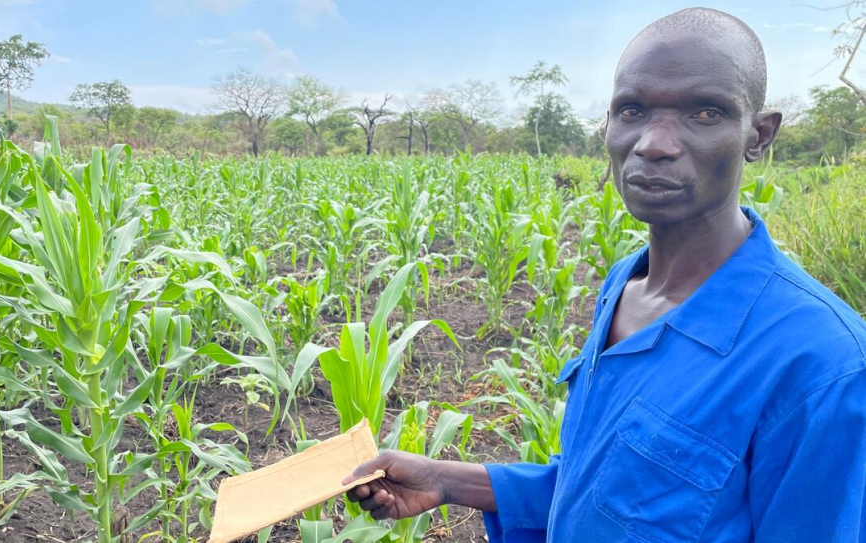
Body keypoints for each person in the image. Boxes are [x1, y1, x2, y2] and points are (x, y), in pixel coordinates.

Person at [343, 7, 866, 542]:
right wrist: (446, 480)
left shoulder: (822, 363)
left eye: (705, 113)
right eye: (632, 110)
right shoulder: (623, 285)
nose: (653, 143)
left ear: (759, 135)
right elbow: (610, 486)